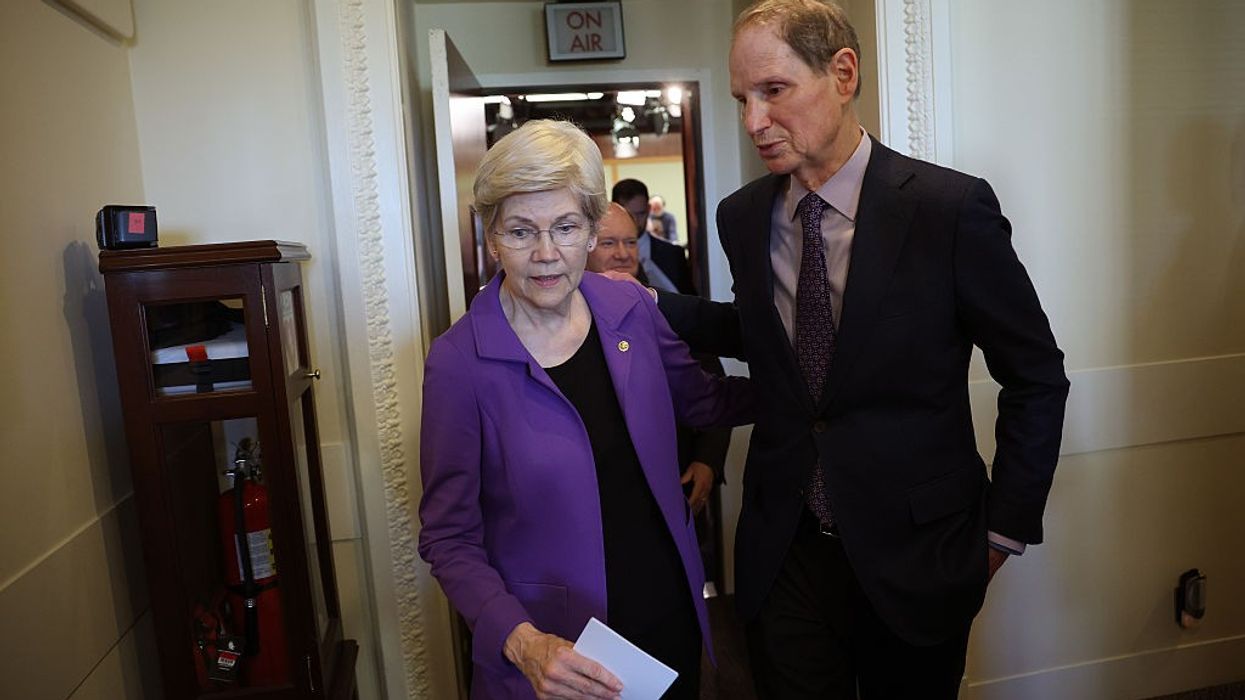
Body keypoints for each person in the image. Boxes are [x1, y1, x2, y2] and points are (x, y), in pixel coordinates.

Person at [655, 1, 1071, 697]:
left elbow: (1035, 376)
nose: (753, 120)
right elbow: (768, 338)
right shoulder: (742, 216)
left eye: (774, 91)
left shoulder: (947, 210)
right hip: (782, 544)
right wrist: (649, 307)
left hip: (918, 550)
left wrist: (1003, 532)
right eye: (740, 99)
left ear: (842, 73)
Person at [417, 119, 753, 700]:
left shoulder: (629, 307)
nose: (547, 255)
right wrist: (522, 642)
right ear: (492, 237)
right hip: (555, 657)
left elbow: (706, 400)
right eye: (522, 232)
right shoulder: (458, 362)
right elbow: (449, 537)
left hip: (667, 624)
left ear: (593, 229)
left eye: (566, 227)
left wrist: (812, 390)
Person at [587, 202, 734, 587]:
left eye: (631, 242)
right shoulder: (562, 326)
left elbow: (712, 389)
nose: (623, 253)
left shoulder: (665, 309)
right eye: (609, 243)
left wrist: (708, 461)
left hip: (676, 490)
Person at [612, 179, 696, 295]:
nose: (635, 221)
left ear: (648, 209)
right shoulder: (601, 255)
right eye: (629, 215)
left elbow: (689, 304)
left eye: (640, 214)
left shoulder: (673, 254)